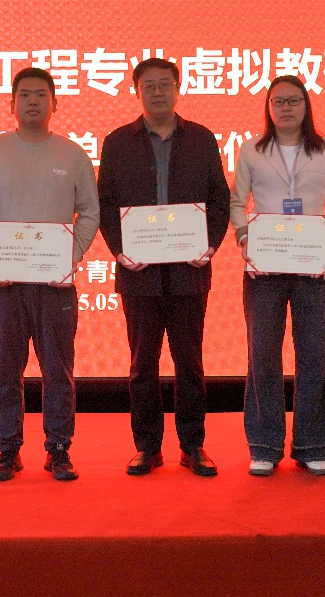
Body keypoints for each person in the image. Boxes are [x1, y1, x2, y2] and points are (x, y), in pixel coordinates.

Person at [97, 57, 230, 477]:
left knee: (190, 363)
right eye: (149, 86)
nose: (157, 92)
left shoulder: (202, 139)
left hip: (189, 271)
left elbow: (219, 199)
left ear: (178, 88)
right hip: (139, 274)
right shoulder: (117, 142)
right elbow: (105, 203)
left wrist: (209, 245)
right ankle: (147, 447)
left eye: (164, 85)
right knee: (142, 366)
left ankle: (193, 446)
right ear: (137, 92)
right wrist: (120, 251)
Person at [0, 67, 99, 482]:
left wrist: (71, 256)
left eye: (41, 94)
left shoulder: (73, 154)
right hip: (6, 283)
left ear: (55, 103)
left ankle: (59, 448)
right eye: (25, 94)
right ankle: (8, 449)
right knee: (6, 370)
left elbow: (89, 212)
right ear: (12, 103)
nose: (33, 101)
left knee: (58, 370)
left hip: (55, 283)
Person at [230, 75, 325, 477]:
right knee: (262, 354)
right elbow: (236, 200)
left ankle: (312, 445)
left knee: (315, 354)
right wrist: (244, 236)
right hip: (264, 266)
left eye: (293, 100)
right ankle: (264, 446)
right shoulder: (251, 149)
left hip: (312, 264)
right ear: (268, 107)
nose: (285, 108)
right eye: (278, 101)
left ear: (306, 106)